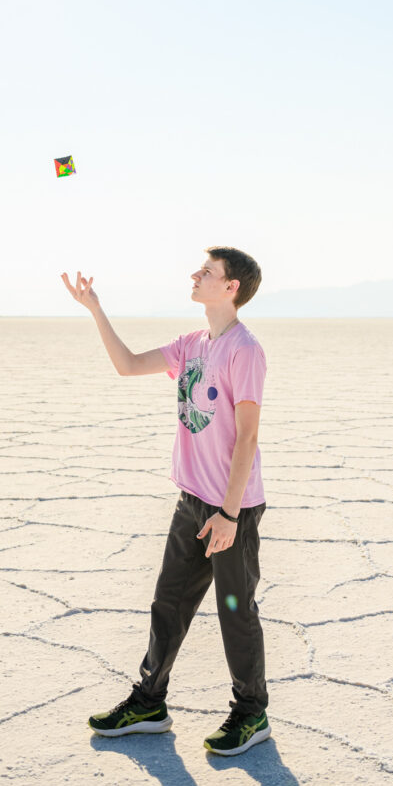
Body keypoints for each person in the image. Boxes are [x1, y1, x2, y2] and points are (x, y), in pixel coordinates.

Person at [60, 247, 270, 756]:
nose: (195, 275)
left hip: (231, 509)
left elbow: (247, 436)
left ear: (231, 288)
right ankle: (149, 702)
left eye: (207, 272)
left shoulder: (245, 350)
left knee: (235, 612)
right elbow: (128, 365)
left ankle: (251, 713)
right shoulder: (191, 345)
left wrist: (229, 514)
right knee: (168, 605)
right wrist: (95, 309)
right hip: (192, 501)